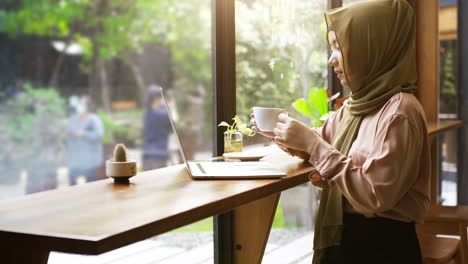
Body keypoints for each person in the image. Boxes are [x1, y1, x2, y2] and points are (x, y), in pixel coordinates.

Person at [251, 1, 429, 263]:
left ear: (372, 48)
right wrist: (280, 133)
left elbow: (373, 196)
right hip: (350, 237)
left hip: (381, 247)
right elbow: (322, 140)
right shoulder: (356, 106)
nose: (331, 59)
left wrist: (313, 145)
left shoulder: (399, 112)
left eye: (339, 47)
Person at [67, 95, 104, 185]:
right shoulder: (73, 118)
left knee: (91, 185)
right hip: (76, 160)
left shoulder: (94, 119)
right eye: (79, 103)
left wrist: (84, 134)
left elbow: (99, 135)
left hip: (91, 161)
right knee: (72, 184)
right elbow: (68, 133)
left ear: (88, 106)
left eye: (82, 104)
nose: (79, 106)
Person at [142, 85, 171, 170]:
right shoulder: (161, 114)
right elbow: (175, 119)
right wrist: (171, 107)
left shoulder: (146, 112)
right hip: (159, 155)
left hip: (147, 153)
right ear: (157, 98)